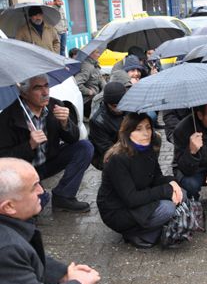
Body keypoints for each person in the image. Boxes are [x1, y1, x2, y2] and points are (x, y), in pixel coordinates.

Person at [0, 158, 101, 284]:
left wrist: (63, 273)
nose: (41, 191)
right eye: (33, 187)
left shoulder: (13, 225)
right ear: (9, 206)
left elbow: (28, 255)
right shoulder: (7, 249)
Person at [0, 74, 93, 212]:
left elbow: (73, 139)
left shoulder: (55, 106)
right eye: (38, 88)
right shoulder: (8, 117)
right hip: (25, 170)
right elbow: (3, 158)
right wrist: (30, 145)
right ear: (24, 93)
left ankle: (64, 196)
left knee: (85, 147)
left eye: (46, 86)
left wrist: (65, 123)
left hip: (49, 161)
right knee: (39, 203)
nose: (45, 92)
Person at [96, 113, 183, 249]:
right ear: (127, 132)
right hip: (118, 211)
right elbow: (131, 199)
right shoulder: (117, 159)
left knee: (181, 192)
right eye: (138, 129)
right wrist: (165, 191)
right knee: (167, 208)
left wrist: (173, 183)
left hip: (139, 198)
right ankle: (133, 233)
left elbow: (157, 178)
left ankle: (154, 230)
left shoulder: (148, 149)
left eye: (148, 127)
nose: (146, 133)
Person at [89, 82, 127, 170]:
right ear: (107, 103)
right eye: (115, 106)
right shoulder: (97, 121)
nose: (119, 108)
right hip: (107, 154)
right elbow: (107, 149)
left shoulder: (129, 107)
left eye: (122, 104)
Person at [74, 48, 106, 118]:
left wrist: (107, 88)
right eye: (97, 52)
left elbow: (100, 79)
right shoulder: (87, 66)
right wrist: (88, 91)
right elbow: (77, 83)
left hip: (96, 98)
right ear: (90, 53)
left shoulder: (94, 65)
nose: (99, 55)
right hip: (88, 101)